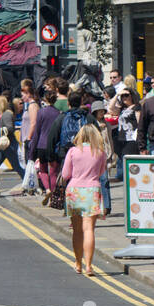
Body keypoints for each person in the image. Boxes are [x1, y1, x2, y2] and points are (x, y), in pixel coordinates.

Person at [61, 123, 107, 276]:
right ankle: (89, 265)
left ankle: (78, 263)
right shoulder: (100, 152)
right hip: (92, 190)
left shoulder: (73, 151)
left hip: (74, 190)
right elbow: (101, 172)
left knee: (77, 230)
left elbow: (66, 174)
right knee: (89, 230)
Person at [30, 88, 64, 203]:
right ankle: (54, 197)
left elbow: (37, 132)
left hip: (42, 145)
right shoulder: (58, 113)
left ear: (45, 99)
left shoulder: (41, 112)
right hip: (54, 146)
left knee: (43, 170)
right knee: (54, 171)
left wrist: (31, 151)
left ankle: (48, 189)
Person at [12, 79, 40, 197]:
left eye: (23, 95)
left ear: (28, 94)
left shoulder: (33, 106)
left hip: (30, 139)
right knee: (28, 163)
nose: (21, 97)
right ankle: (29, 186)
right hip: (26, 139)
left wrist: (29, 138)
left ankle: (32, 187)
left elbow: (33, 123)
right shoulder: (28, 106)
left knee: (31, 163)